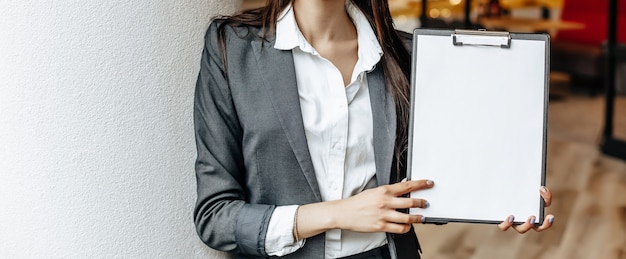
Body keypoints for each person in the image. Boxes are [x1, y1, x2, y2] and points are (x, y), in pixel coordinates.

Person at [193, 0, 555, 258]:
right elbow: (215, 217)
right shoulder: (232, 47)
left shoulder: (408, 55)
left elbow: (427, 184)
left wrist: (505, 196)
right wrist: (337, 213)